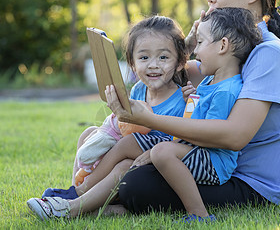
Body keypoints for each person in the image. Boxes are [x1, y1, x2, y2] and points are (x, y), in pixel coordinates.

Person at [106, 0, 280, 214]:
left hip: (263, 187)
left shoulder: (268, 54)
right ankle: (96, 198)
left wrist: (149, 119)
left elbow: (234, 136)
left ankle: (119, 205)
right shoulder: (233, 52)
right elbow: (174, 72)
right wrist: (191, 44)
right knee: (134, 164)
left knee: (136, 183)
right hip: (223, 168)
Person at [26, 15, 189, 220]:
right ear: (132, 63)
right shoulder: (139, 90)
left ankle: (76, 201)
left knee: (124, 164)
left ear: (180, 62)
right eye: (144, 58)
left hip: (150, 169)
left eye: (163, 57)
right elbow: (126, 129)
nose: (153, 65)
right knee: (89, 133)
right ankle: (78, 190)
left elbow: (180, 143)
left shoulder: (181, 100)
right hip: (126, 157)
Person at [149, 7, 262, 222]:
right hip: (199, 151)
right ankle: (84, 189)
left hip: (214, 163)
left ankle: (199, 214)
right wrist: (190, 103)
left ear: (222, 46)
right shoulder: (211, 81)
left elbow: (209, 138)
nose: (195, 52)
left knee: (162, 152)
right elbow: (198, 121)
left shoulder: (226, 91)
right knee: (142, 146)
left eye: (200, 43)